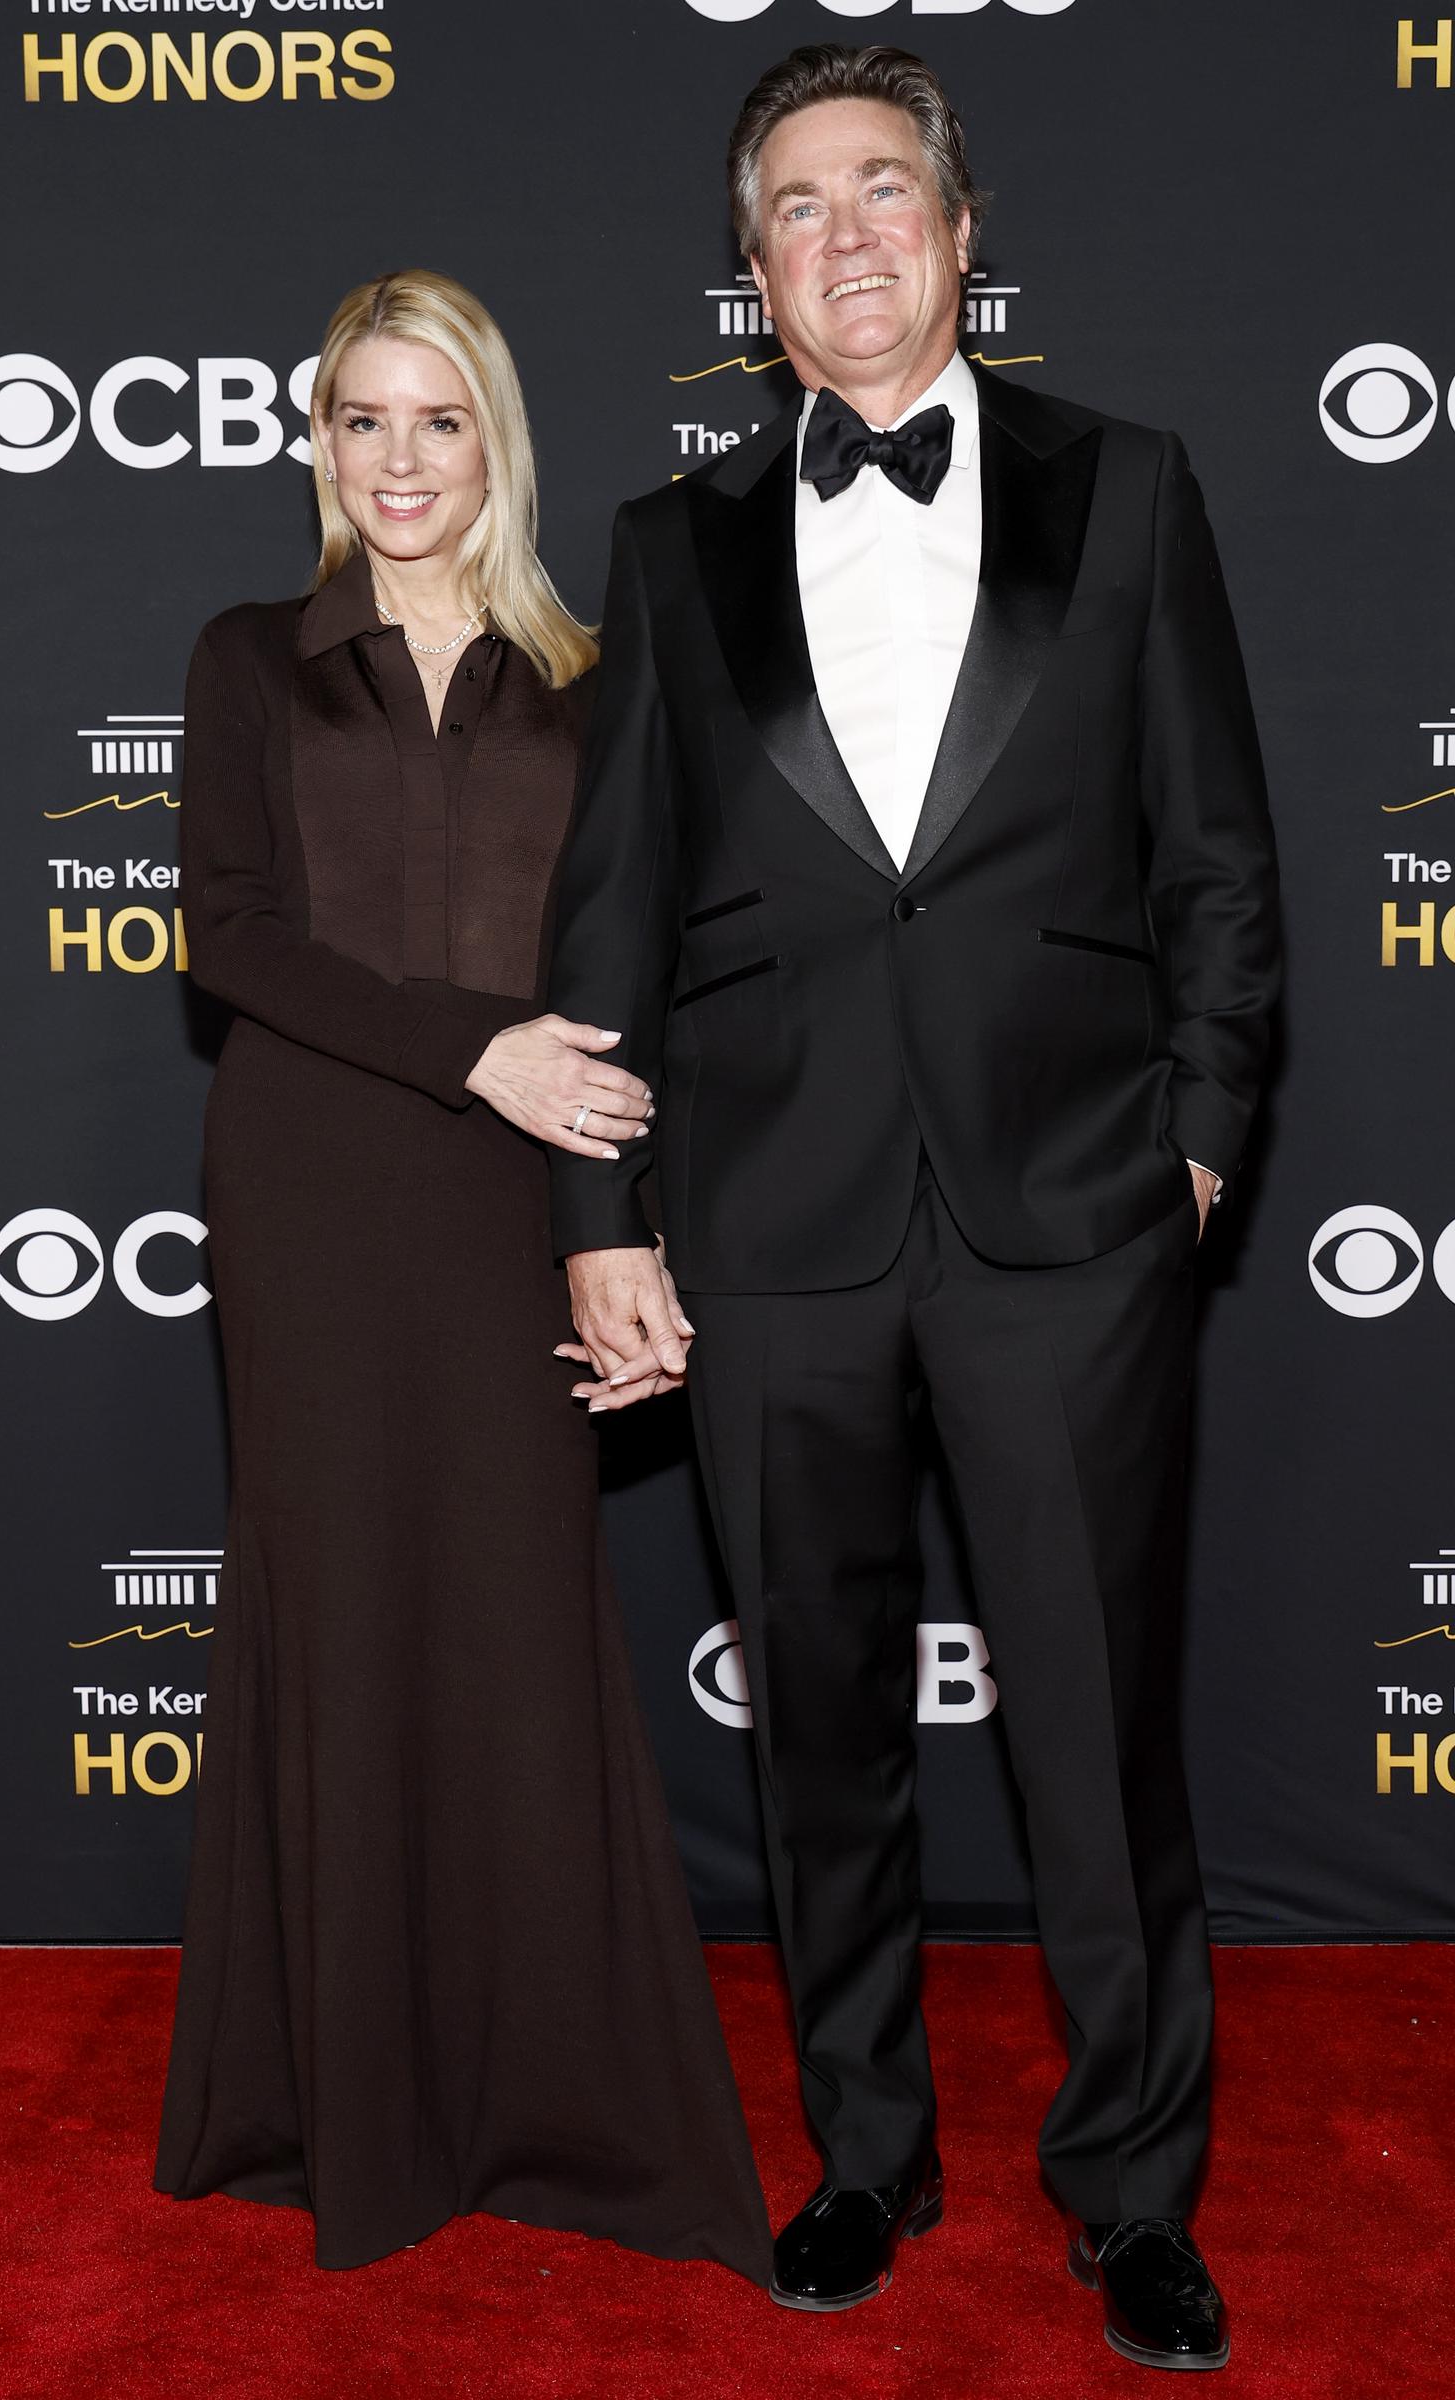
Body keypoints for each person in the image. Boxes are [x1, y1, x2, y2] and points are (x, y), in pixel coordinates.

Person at [545, 45, 1278, 2372]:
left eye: (882, 191)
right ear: (749, 276)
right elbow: (611, 919)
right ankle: (864, 2151)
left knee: (1093, 1740)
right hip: (767, 1231)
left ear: (962, 232)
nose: (843, 236)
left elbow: (1220, 873)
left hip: (1070, 1218)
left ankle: (1130, 2187)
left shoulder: (1129, 494)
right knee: (817, 1739)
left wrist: (1193, 1144)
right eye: (791, 206)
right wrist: (602, 1212)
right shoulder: (668, 555)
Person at [153, 269, 770, 2285]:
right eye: (361, 420)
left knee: (513, 1623)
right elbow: (229, 935)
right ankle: (333, 2100)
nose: (398, 460)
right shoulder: (253, 656)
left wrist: (625, 1226)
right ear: (316, 443)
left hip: (523, 1199)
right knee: (334, 1619)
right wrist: (466, 1046)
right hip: (314, 1192)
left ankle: (553, 2102)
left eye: (439, 421)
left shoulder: (590, 681)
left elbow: (638, 985)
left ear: (492, 442)